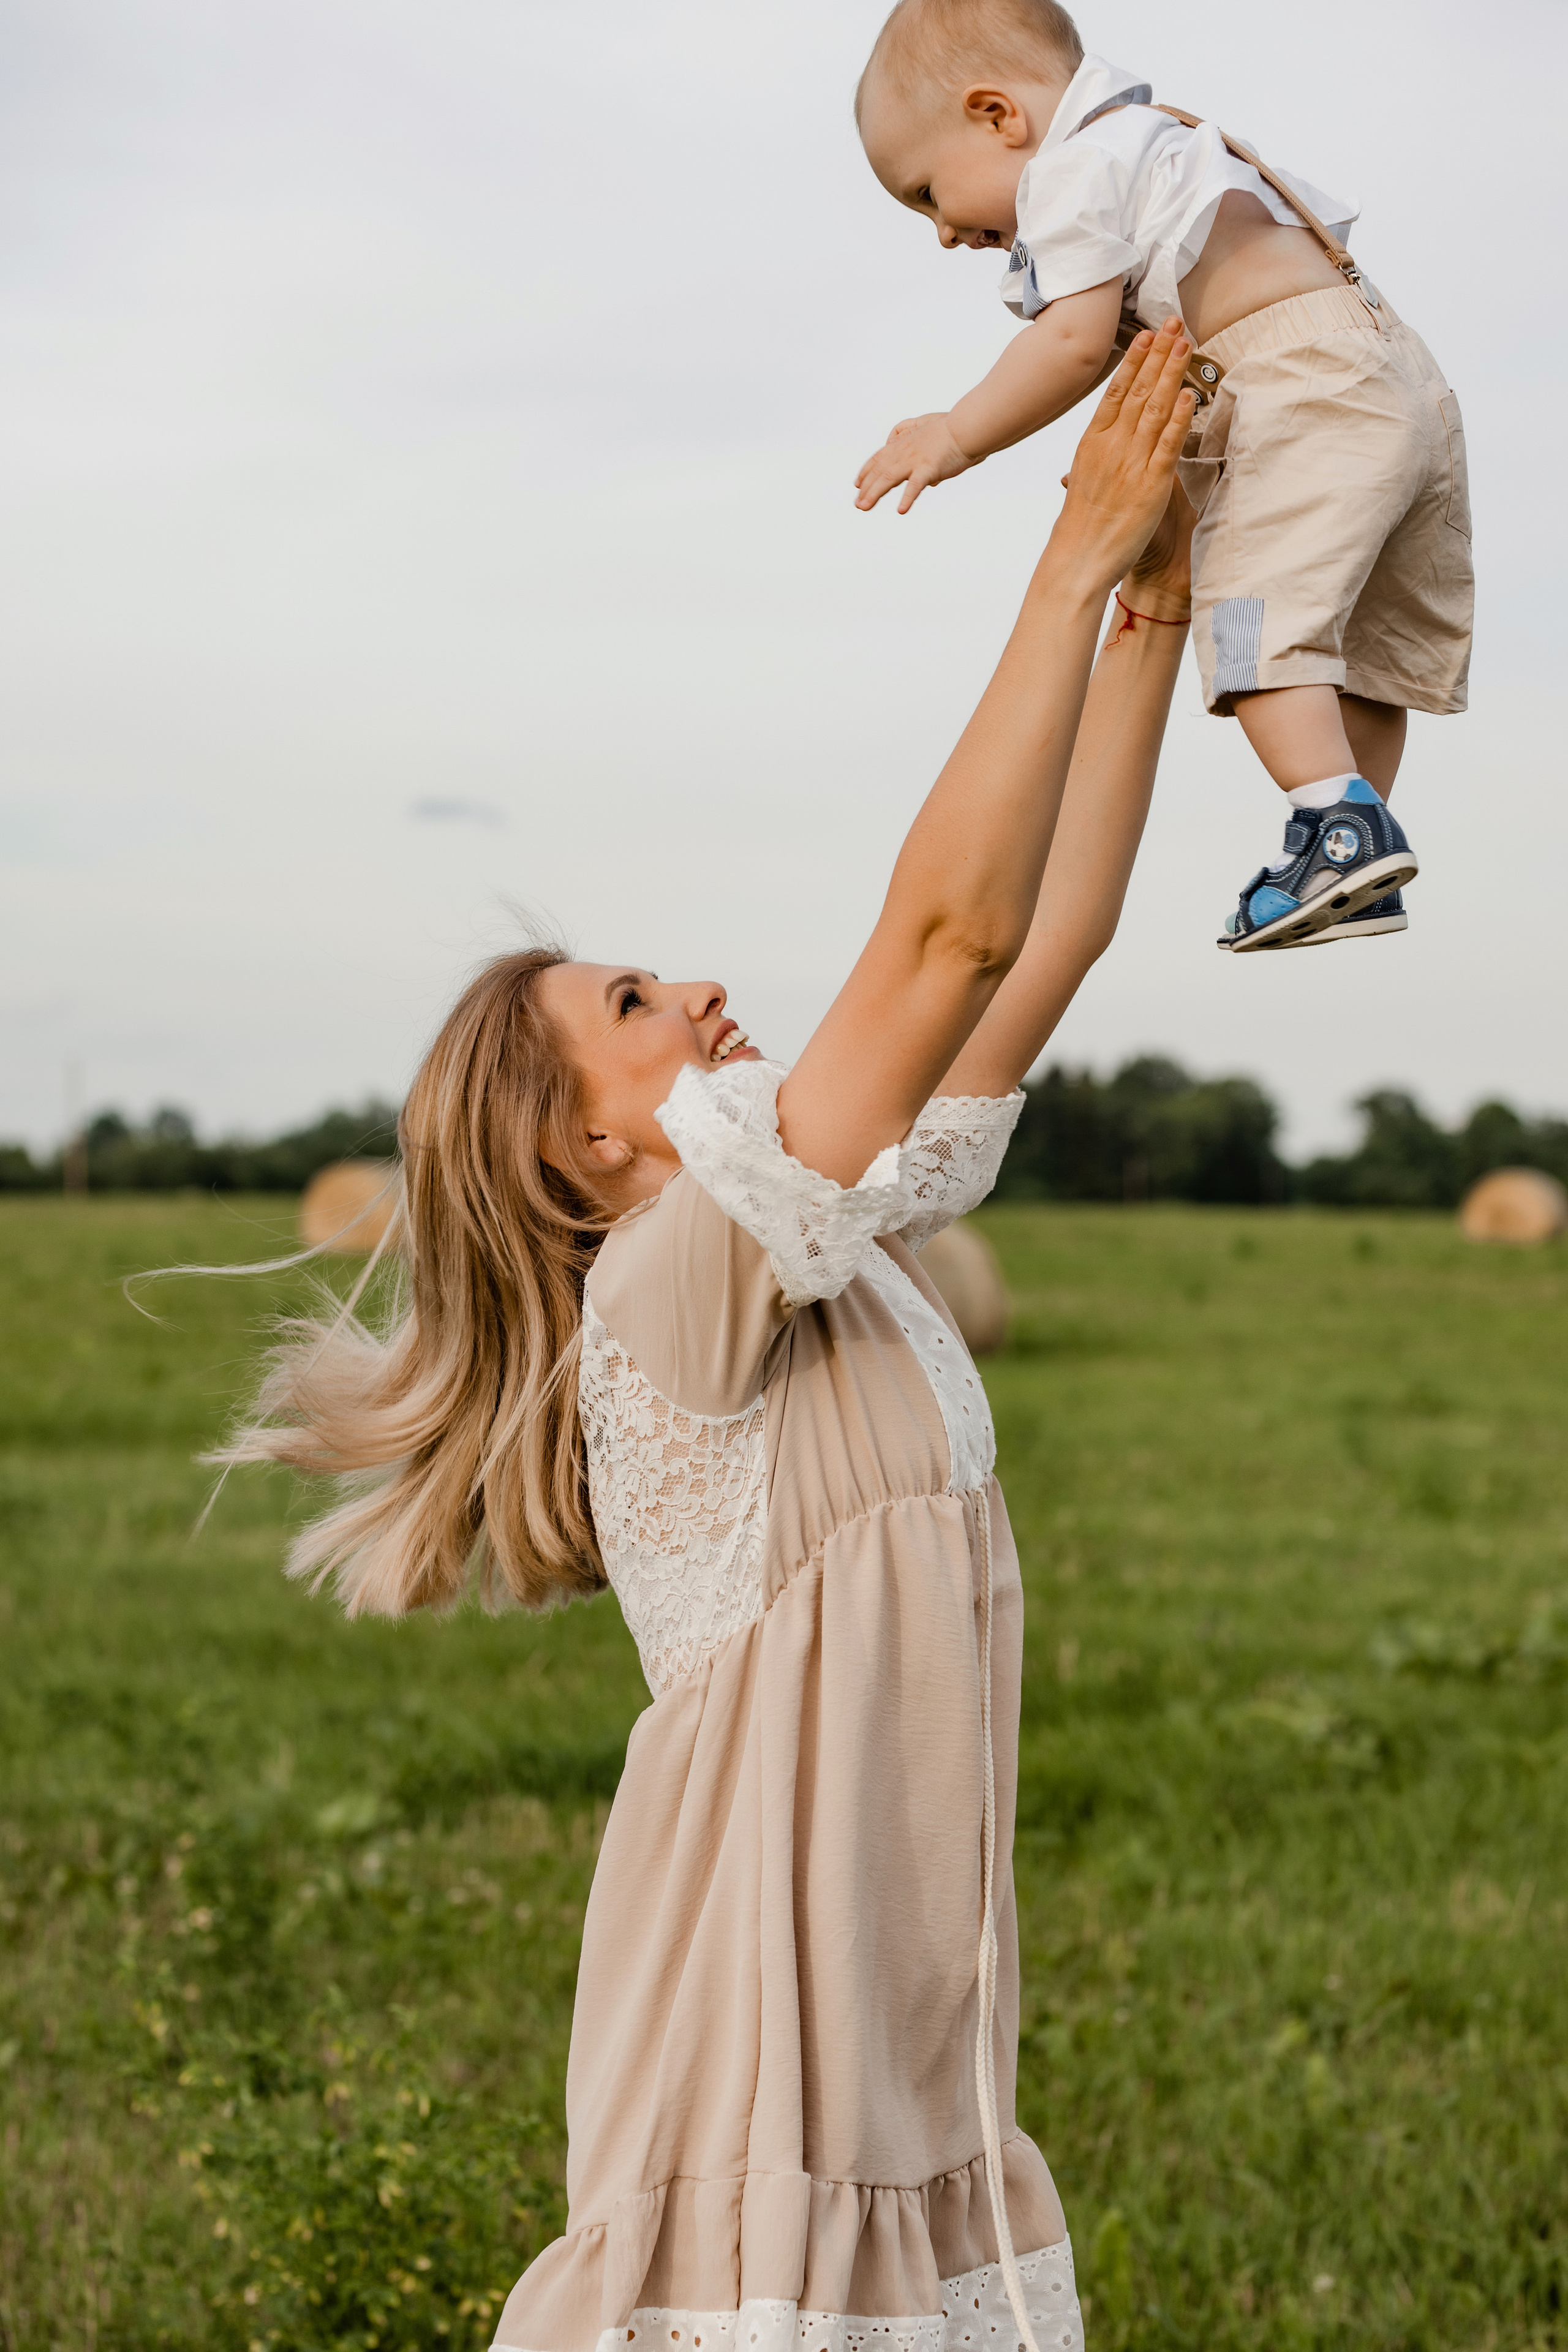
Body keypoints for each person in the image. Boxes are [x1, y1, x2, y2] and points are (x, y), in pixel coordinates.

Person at [219, 323, 1197, 2352]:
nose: (703, 993)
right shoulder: (670, 1293)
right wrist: (1065, 562)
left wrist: (1153, 613)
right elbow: (945, 944)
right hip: (767, 2036)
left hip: (895, 2032)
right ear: (587, 1139)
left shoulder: (828, 1232)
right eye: (641, 1001)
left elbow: (1051, 937)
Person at [852, 0, 1474, 954]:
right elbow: (1138, 339)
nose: (940, 233)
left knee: (1249, 617)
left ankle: (1336, 828)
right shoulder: (1164, 142)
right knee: (1355, 654)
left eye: (928, 194)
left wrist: (957, 435)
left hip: (1301, 387)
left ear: (996, 115)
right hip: (1397, 384)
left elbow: (1071, 343)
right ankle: (1351, 833)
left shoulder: (1072, 169)